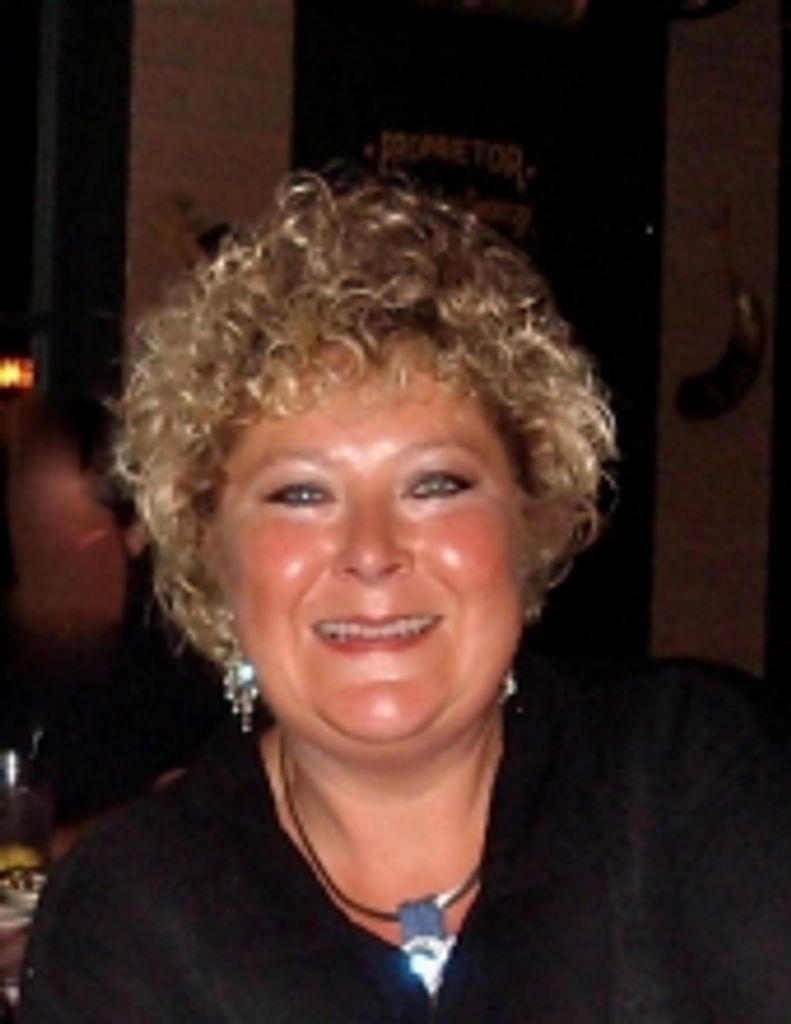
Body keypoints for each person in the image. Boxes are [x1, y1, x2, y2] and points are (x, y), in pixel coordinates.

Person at [18, 172, 791, 1022]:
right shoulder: (128, 917)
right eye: (301, 495)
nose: (371, 552)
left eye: (434, 485)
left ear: (532, 518)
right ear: (210, 549)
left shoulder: (687, 783)